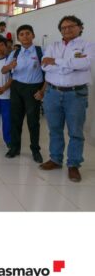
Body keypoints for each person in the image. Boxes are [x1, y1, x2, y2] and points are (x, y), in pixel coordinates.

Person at [39, 15, 95, 182]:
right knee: (54, 129)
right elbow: (44, 65)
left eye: (71, 26)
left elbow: (85, 64)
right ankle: (56, 159)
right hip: (52, 93)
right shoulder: (53, 45)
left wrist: (56, 62)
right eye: (63, 27)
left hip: (75, 94)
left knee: (75, 131)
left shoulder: (87, 45)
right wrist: (69, 65)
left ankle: (73, 164)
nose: (67, 29)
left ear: (80, 27)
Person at [1, 24, 45, 163]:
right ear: (18, 38)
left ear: (33, 35)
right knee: (15, 119)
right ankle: (15, 148)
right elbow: (3, 70)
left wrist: (42, 91)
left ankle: (35, 150)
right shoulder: (15, 53)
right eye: (21, 34)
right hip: (17, 87)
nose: (25, 36)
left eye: (27, 33)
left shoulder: (40, 51)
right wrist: (10, 66)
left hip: (33, 89)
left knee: (33, 121)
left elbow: (49, 73)